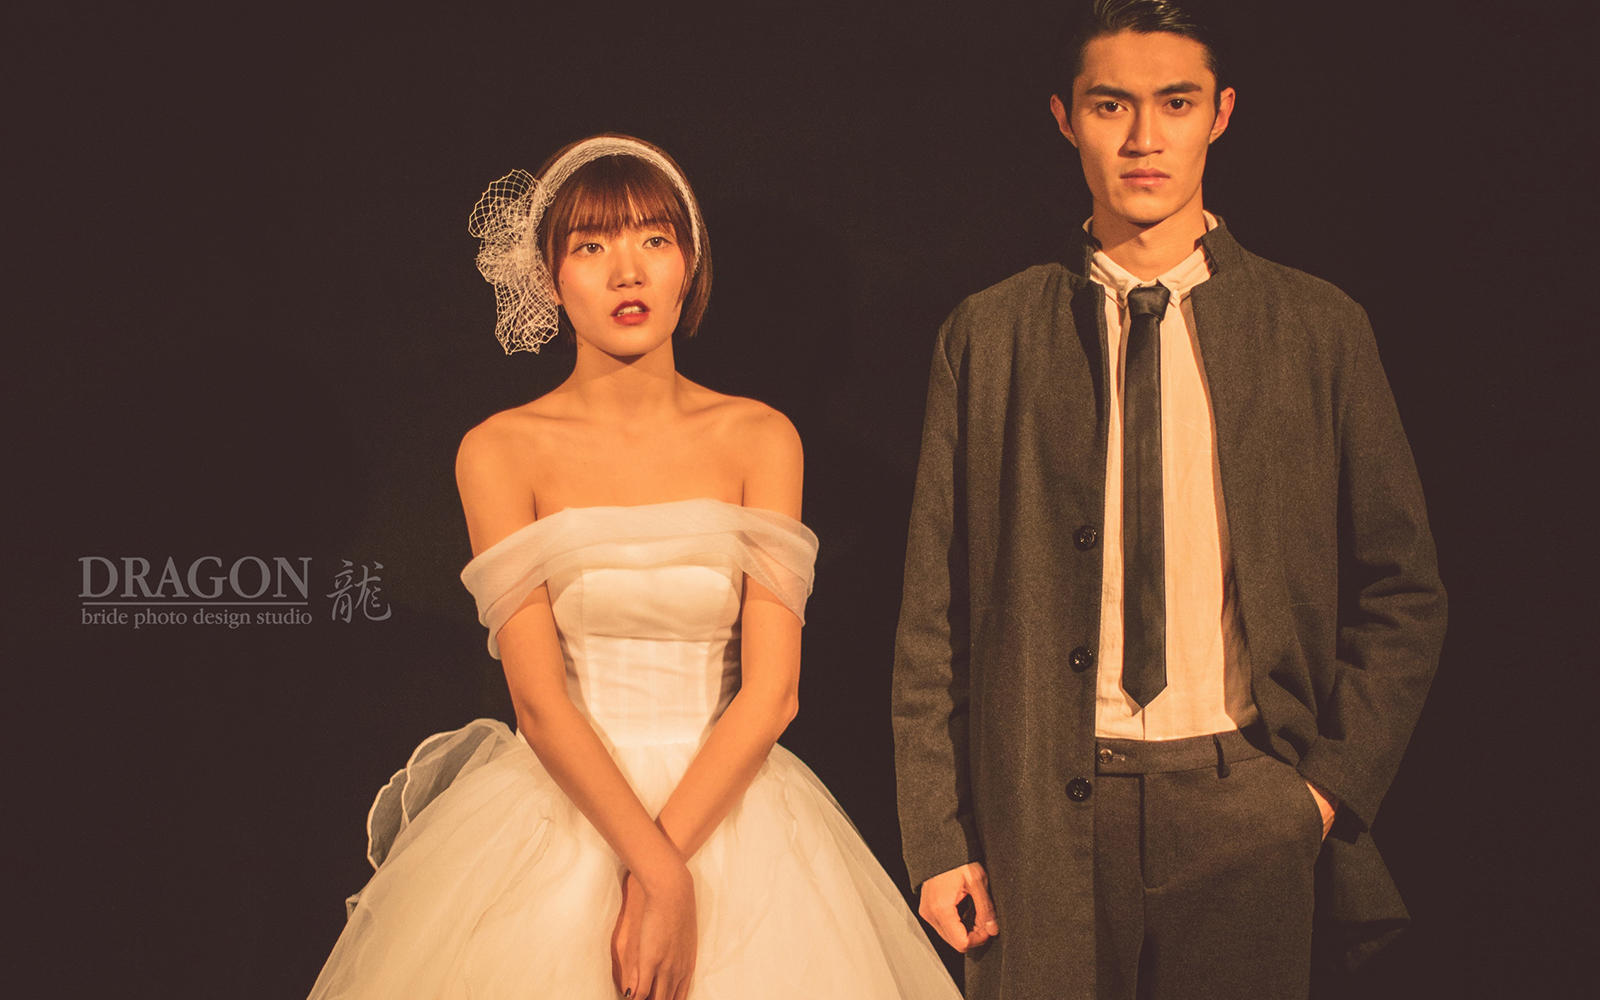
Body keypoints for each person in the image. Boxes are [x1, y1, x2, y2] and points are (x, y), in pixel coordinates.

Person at [309, 134, 961, 1000]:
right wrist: (656, 874)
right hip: (561, 809)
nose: (628, 271)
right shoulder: (500, 450)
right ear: (548, 278)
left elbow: (773, 692)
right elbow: (538, 702)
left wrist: (668, 865)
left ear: (689, 265)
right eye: (591, 246)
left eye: (655, 239)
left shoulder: (760, 437)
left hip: (732, 808)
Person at [890, 3, 1447, 998]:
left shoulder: (1316, 328)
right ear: (1064, 117)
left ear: (1220, 114)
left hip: (1245, 802)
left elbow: (1403, 591)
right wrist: (938, 836)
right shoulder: (989, 334)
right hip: (1040, 818)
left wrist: (1321, 793)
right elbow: (934, 614)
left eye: (1175, 104)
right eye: (1112, 105)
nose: (1144, 138)